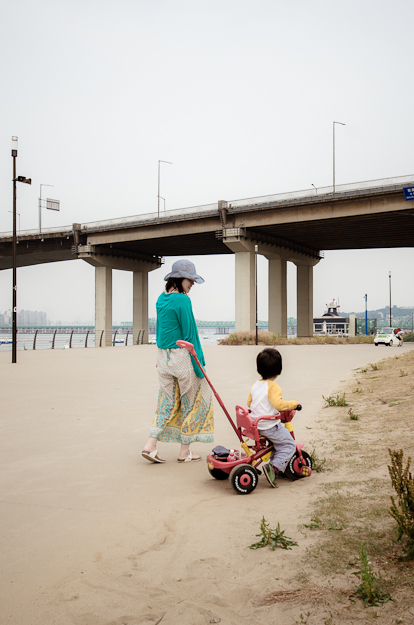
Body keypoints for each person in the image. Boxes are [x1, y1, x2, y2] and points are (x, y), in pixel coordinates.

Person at [142, 260, 214, 464]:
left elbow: (161, 331)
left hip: (163, 357)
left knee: (166, 403)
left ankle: (150, 445)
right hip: (182, 358)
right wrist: (200, 363)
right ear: (179, 279)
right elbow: (190, 334)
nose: (191, 284)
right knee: (191, 403)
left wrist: (160, 357)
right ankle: (184, 452)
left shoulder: (161, 299)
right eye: (189, 280)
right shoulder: (183, 301)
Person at [247, 347, 299, 488]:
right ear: (278, 369)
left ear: (259, 368)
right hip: (268, 426)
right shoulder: (273, 386)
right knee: (288, 444)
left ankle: (275, 465)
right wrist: (293, 404)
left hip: (255, 425)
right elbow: (278, 404)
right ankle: (274, 467)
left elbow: (249, 403)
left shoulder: (255, 385)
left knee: (278, 443)